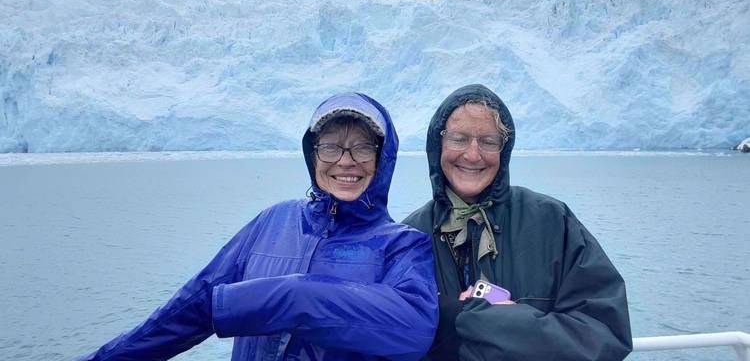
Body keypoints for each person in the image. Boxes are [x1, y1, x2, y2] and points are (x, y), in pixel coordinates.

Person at [79, 92, 438, 361]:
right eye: (330, 147)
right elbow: (191, 308)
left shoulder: (403, 246)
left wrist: (293, 297)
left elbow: (413, 329)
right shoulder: (275, 221)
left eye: (363, 148)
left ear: (383, 157)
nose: (346, 161)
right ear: (312, 154)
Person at [403, 84, 632, 361]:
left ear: (504, 150)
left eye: (488, 141)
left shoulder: (551, 221)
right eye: (459, 139)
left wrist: (500, 323)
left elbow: (606, 333)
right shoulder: (411, 236)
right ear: (438, 144)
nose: (473, 155)